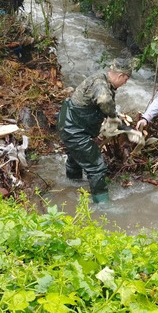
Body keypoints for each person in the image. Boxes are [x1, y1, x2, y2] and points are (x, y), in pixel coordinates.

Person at [57, 57, 134, 204]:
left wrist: (121, 125)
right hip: (74, 131)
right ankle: (103, 206)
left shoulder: (103, 81)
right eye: (126, 79)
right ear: (120, 76)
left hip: (70, 126)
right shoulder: (100, 84)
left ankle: (72, 187)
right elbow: (105, 102)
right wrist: (114, 119)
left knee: (76, 159)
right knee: (96, 167)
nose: (125, 83)